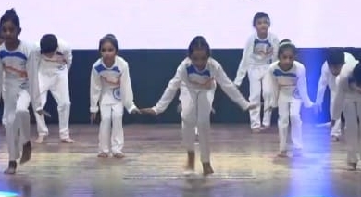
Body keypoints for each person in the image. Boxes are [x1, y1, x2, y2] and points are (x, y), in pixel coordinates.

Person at [139, 36, 255, 175]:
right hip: (188, 90)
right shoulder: (184, 67)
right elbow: (172, 86)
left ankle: (206, 161)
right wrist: (157, 108)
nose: (199, 63)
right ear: (190, 57)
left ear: (208, 57)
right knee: (187, 119)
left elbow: (227, 85)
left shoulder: (214, 66)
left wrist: (244, 104)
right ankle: (190, 156)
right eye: (195, 59)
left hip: (206, 90)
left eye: (203, 59)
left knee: (203, 122)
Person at [0, 9, 43, 175]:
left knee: (22, 110)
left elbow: (33, 77)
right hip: (10, 88)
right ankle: (12, 160)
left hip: (25, 86)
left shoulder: (29, 49)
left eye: (11, 29)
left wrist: (37, 105)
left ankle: (26, 142)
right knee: (10, 124)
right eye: (4, 30)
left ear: (19, 30)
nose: (8, 33)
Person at [89, 34, 139, 158]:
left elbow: (126, 86)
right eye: (104, 50)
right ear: (100, 51)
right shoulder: (96, 66)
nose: (107, 53)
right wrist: (94, 108)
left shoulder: (123, 65)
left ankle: (117, 149)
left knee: (117, 117)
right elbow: (95, 87)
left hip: (118, 95)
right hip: (105, 94)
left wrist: (130, 105)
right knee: (105, 119)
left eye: (110, 50)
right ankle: (103, 149)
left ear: (116, 51)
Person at [232, 12, 280, 131]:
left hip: (267, 67)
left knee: (268, 93)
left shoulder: (274, 39)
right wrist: (238, 80)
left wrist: (277, 75)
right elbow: (245, 60)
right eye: (259, 23)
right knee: (255, 95)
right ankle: (255, 124)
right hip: (253, 68)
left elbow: (276, 58)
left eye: (265, 22)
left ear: (269, 24)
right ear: (255, 26)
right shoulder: (251, 40)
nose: (263, 25)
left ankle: (266, 122)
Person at [330, 58, 361, 170]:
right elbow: (339, 96)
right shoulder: (345, 74)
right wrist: (335, 116)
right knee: (350, 127)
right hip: (348, 96)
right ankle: (352, 160)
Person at [269, 40, 316, 157]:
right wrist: (273, 102)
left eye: (291, 58)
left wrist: (308, 103)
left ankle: (298, 147)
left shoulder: (300, 68)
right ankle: (283, 148)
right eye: (284, 57)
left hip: (295, 92)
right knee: (283, 119)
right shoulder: (272, 68)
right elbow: (273, 86)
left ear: (294, 57)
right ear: (279, 56)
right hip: (283, 92)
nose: (287, 61)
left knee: (295, 116)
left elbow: (302, 86)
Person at [34, 34, 73, 144]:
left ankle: (64, 134)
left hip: (59, 73)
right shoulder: (35, 48)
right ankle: (42, 132)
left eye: (51, 53)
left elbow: (69, 62)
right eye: (46, 54)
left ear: (56, 48)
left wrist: (63, 76)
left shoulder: (65, 47)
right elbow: (34, 64)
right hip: (42, 73)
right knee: (37, 104)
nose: (49, 56)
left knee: (65, 103)